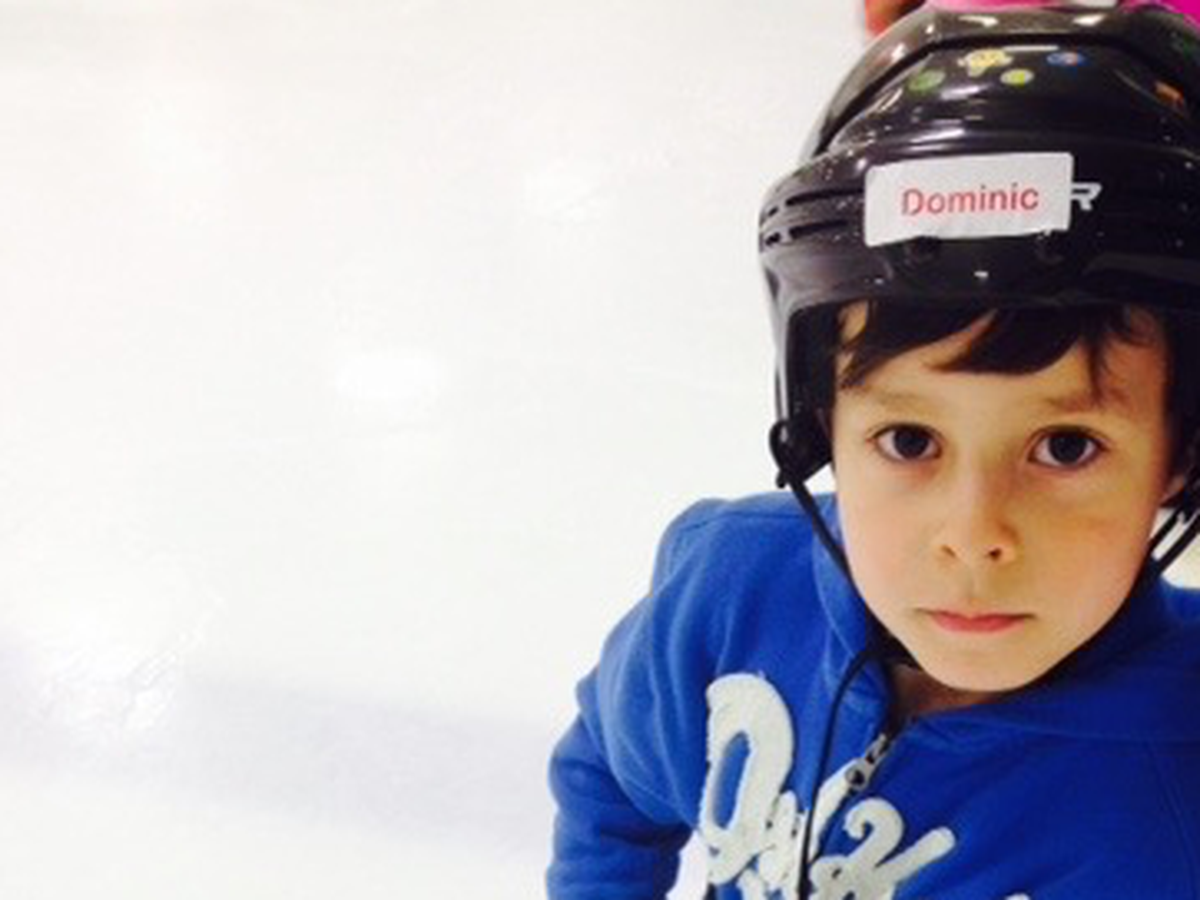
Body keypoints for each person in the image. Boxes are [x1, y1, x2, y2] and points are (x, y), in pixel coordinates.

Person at [547, 3, 1200, 898]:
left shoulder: (1173, 789)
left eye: (1065, 446)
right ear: (820, 425)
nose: (972, 537)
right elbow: (610, 779)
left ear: (1182, 453)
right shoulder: (729, 602)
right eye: (909, 439)